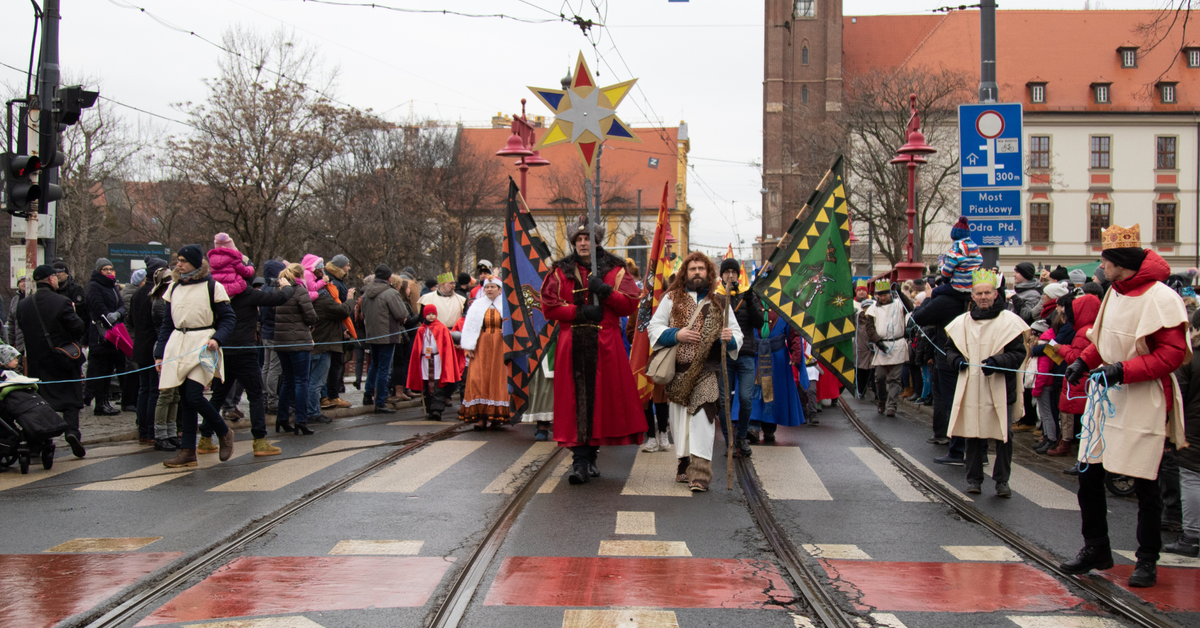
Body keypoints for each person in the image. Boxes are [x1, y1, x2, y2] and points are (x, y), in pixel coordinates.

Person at [1061, 224, 1190, 588]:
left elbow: (1172, 354)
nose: (1100, 265)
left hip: (1144, 397)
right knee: (1089, 476)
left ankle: (1147, 558)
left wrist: (1123, 370)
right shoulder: (1114, 292)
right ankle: (1096, 547)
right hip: (1109, 396)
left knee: (1145, 482)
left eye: (1105, 260)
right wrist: (1084, 362)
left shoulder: (1162, 297)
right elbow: (1104, 340)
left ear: (1122, 263)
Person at [542, 214, 645, 485]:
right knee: (576, 401)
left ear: (596, 240)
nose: (583, 243)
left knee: (600, 401)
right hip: (572, 343)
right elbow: (549, 306)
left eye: (588, 238)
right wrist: (579, 311)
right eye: (579, 238)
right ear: (574, 242)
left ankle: (591, 456)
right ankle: (580, 462)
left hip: (605, 345)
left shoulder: (616, 268)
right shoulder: (560, 270)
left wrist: (606, 291)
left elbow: (628, 305)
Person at [648, 251, 741, 492]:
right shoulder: (671, 299)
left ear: (709, 273)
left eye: (701, 268)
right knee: (680, 422)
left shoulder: (719, 302)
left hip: (707, 372)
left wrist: (728, 339)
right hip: (678, 372)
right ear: (685, 273)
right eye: (693, 268)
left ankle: (700, 474)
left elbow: (736, 336)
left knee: (702, 419)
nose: (697, 272)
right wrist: (676, 334)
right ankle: (684, 462)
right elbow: (653, 328)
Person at [945, 268, 1030, 496]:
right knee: (972, 433)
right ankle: (974, 479)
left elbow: (1018, 354)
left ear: (995, 294)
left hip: (1001, 387)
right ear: (972, 296)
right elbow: (950, 350)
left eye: (988, 293)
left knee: (1003, 436)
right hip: (972, 387)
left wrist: (996, 361)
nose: (983, 297)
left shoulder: (1010, 322)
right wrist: (957, 362)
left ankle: (1002, 481)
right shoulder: (961, 323)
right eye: (979, 293)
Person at [154, 245, 237, 468]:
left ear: (195, 262)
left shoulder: (213, 286)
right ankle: (188, 451)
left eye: (183, 260)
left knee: (193, 395)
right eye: (177, 260)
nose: (178, 264)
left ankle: (223, 431)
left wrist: (217, 338)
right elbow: (166, 325)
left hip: (203, 344)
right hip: (178, 344)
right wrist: (159, 354)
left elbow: (229, 318)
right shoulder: (172, 287)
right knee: (185, 400)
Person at [206, 256, 295, 456]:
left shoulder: (216, 293)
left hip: (223, 349)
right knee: (255, 394)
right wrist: (287, 286)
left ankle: (205, 437)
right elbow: (278, 298)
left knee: (217, 396)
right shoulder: (246, 293)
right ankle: (260, 440)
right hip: (244, 351)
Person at [15, 264, 87, 458]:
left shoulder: (23, 305)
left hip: (36, 363)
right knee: (71, 400)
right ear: (51, 279)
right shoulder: (62, 302)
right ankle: (72, 432)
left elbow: (22, 330)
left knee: (41, 402)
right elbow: (78, 327)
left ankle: (39, 441)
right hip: (61, 359)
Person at [717, 257, 763, 457]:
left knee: (745, 398)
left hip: (745, 355)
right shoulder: (715, 297)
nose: (730, 275)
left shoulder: (748, 295)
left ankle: (742, 437)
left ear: (738, 275)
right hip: (724, 356)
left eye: (733, 272)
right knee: (723, 400)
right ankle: (729, 441)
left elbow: (759, 323)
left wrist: (752, 301)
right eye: (726, 272)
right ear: (721, 276)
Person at [1164, 308, 1200, 557]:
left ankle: (1192, 536)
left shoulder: (1190, 359)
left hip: (1194, 428)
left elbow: (1178, 396)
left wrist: (1169, 430)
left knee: (1191, 478)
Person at [1047, 295, 1101, 459]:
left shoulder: (1083, 332)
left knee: (1071, 415)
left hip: (1078, 381)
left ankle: (1070, 447)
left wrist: (1058, 348)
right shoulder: (1092, 329)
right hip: (1085, 381)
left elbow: (1076, 358)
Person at [360, 264, 415, 413]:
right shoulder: (390, 293)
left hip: (372, 334)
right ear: (389, 277)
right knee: (384, 368)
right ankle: (380, 402)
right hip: (388, 335)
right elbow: (401, 313)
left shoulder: (365, 293)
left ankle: (368, 394)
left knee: (374, 366)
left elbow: (363, 313)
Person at [273, 262, 318, 435]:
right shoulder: (300, 290)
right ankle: (301, 419)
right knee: (301, 381)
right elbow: (310, 315)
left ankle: (282, 417)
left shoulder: (278, 290)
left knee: (287, 380)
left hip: (281, 341)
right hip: (299, 341)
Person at [458, 277, 510, 428]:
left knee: (497, 379)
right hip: (481, 346)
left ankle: (495, 417)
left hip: (500, 346)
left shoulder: (506, 305)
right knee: (478, 379)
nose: (490, 289)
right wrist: (468, 347)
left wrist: (506, 330)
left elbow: (514, 323)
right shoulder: (477, 306)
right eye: (487, 287)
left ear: (500, 289)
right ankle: (480, 417)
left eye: (493, 287)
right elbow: (469, 327)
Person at [130, 258, 169, 447]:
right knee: (153, 390)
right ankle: (150, 430)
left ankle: (143, 429)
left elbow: (131, 320)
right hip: (153, 347)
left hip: (140, 346)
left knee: (143, 389)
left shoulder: (138, 293)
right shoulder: (156, 295)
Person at [308, 276, 355, 424]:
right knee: (316, 382)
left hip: (320, 344)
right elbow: (342, 311)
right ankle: (312, 412)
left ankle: (311, 410)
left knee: (313, 381)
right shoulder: (322, 299)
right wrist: (350, 299)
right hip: (323, 345)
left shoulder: (315, 298)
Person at [865, 280, 913, 417]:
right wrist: (877, 341)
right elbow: (869, 327)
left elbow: (910, 308)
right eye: (881, 295)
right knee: (879, 377)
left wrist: (901, 294)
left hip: (897, 344)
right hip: (881, 344)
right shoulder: (873, 308)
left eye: (886, 294)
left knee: (895, 378)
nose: (883, 297)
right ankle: (882, 400)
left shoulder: (899, 304)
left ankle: (892, 405)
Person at [84, 258, 125, 417]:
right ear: (99, 270)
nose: (109, 271)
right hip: (100, 333)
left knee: (109, 368)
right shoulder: (94, 286)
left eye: (110, 268)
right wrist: (108, 316)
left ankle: (106, 401)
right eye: (105, 269)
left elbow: (121, 304)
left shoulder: (113, 286)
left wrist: (118, 314)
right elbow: (96, 305)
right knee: (100, 369)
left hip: (114, 331)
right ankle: (99, 403)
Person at [407, 304, 461, 420]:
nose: (431, 317)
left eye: (432, 314)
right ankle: (429, 407)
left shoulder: (442, 328)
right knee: (427, 384)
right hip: (425, 360)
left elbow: (446, 347)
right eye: (428, 314)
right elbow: (417, 348)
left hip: (438, 360)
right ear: (424, 315)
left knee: (438, 384)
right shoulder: (421, 329)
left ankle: (437, 410)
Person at [321, 255, 356, 410]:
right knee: (334, 364)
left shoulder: (334, 281)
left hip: (336, 328)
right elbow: (337, 309)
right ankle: (331, 395)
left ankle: (329, 395)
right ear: (341, 267)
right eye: (347, 265)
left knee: (334, 364)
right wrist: (344, 328)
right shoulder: (333, 283)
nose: (349, 268)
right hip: (335, 330)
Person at [258, 260, 287, 414]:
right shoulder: (276, 290)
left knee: (267, 366)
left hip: (266, 331)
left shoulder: (263, 288)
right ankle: (273, 401)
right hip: (276, 332)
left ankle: (265, 398)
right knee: (275, 368)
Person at [207, 233, 255, 298]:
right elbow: (246, 272)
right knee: (246, 284)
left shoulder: (212, 259)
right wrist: (251, 266)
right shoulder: (233, 258)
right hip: (233, 290)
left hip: (217, 290)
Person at [853, 286, 877, 399]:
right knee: (860, 370)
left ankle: (877, 392)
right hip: (860, 347)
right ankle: (861, 390)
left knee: (873, 371)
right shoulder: (857, 318)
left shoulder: (876, 318)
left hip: (872, 347)